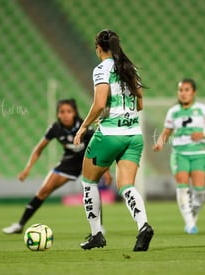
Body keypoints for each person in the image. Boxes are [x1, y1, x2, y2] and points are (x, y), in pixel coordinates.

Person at [73, 29, 153, 252]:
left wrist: (84, 126)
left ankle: (97, 234)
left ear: (98, 47)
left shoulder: (101, 69)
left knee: (88, 181)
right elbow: (140, 104)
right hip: (134, 134)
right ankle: (143, 226)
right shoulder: (130, 68)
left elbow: (99, 104)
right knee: (126, 185)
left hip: (110, 135)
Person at [2, 99, 111, 234]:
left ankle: (98, 226)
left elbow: (99, 149)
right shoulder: (56, 128)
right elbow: (38, 149)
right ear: (58, 114)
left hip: (87, 161)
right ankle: (20, 225)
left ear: (75, 113)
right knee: (43, 191)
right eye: (61, 112)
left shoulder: (85, 127)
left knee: (92, 190)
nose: (65, 115)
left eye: (69, 111)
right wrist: (27, 169)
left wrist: (106, 171)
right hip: (69, 162)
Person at [153, 78, 205, 234]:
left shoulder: (204, 110)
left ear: (194, 92)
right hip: (180, 154)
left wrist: (204, 133)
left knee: (199, 192)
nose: (183, 93)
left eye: (186, 90)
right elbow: (167, 131)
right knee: (183, 187)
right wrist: (160, 143)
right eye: (180, 90)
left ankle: (192, 216)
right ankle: (190, 223)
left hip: (200, 154)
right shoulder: (173, 112)